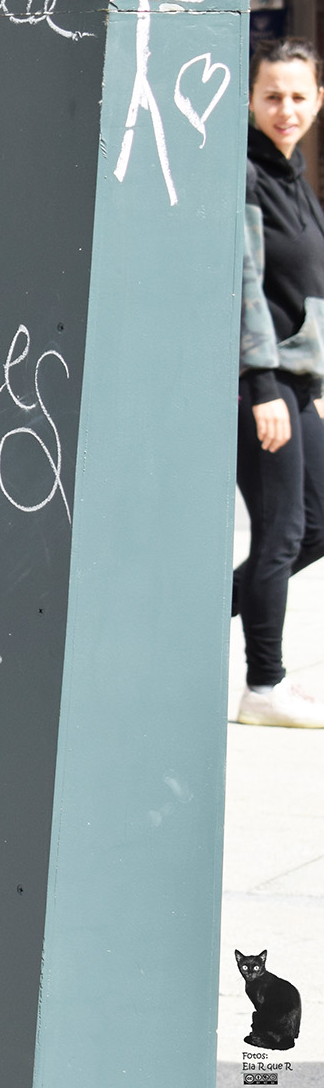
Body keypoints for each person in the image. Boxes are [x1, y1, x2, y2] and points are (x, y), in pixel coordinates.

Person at [237, 38, 324, 728]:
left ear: (319, 100)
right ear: (250, 99)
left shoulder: (294, 175)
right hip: (260, 386)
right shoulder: (243, 175)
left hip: (297, 380)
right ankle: (264, 687)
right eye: (273, 95)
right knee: (282, 531)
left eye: (298, 96)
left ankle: (186, 625)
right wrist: (263, 383)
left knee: (317, 520)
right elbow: (243, 285)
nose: (285, 108)